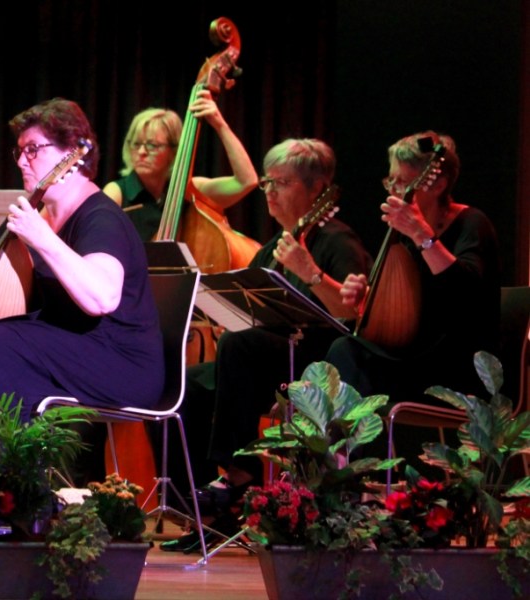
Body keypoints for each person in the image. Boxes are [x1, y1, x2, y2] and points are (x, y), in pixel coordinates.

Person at [0, 98, 162, 448]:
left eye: (33, 149)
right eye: (19, 151)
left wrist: (43, 239)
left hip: (119, 362)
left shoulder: (101, 218)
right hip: (65, 345)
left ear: (71, 154)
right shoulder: (36, 215)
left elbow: (103, 298)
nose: (21, 161)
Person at [164, 139, 373, 552]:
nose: (270, 192)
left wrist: (310, 272)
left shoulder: (338, 242)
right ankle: (201, 505)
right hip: (266, 363)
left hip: (318, 364)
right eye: (267, 183)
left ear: (316, 189)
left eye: (282, 182)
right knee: (184, 385)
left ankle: (239, 475)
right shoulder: (271, 248)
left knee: (240, 346)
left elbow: (352, 316)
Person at [327, 131, 500, 414]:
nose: (394, 191)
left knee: (347, 353)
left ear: (437, 183)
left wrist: (422, 235)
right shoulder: (405, 236)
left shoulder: (472, 224)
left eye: (403, 182)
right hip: (411, 358)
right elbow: (406, 310)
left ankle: (350, 440)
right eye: (391, 181)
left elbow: (465, 292)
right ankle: (347, 439)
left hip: (456, 366)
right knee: (343, 349)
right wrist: (366, 298)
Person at [102, 90, 258, 241]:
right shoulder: (116, 193)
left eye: (152, 145)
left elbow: (246, 181)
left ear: (174, 151)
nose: (142, 152)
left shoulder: (189, 190)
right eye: (136, 144)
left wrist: (220, 125)